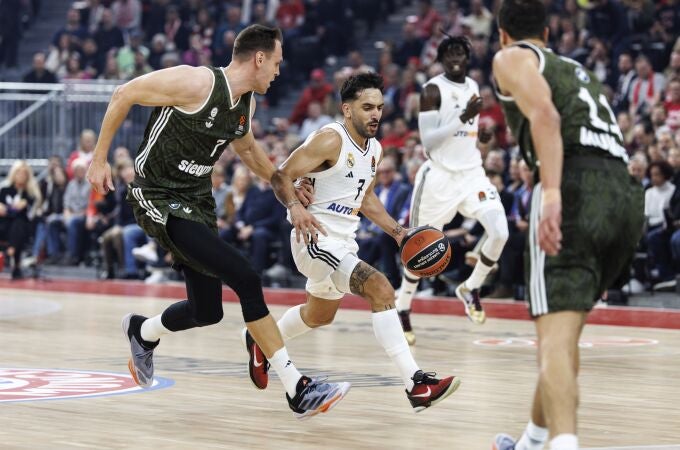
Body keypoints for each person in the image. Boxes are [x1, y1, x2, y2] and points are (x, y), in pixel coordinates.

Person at [87, 24, 351, 420]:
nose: (279, 71)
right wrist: (99, 158)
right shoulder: (195, 82)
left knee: (207, 310)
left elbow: (251, 155)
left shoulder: (245, 105)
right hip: (157, 195)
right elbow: (124, 93)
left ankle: (142, 332)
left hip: (195, 200)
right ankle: (297, 387)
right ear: (259, 58)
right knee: (245, 276)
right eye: (276, 63)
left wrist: (291, 188)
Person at [243, 73, 460, 411]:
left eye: (380, 108)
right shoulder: (331, 139)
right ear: (347, 109)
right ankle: (416, 385)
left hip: (343, 241)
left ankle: (262, 341)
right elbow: (282, 174)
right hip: (313, 239)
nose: (375, 114)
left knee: (319, 316)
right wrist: (295, 206)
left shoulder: (374, 149)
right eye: (367, 107)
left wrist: (399, 232)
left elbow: (366, 198)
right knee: (381, 289)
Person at [490, 2, 644, 450]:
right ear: (547, 31)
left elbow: (547, 116)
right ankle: (532, 442)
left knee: (553, 341)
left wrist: (553, 194)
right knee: (563, 334)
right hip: (622, 196)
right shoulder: (575, 69)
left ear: (502, 35)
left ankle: (562, 443)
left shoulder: (511, 56)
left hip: (575, 186)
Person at [394, 34, 509, 345]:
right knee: (418, 251)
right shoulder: (432, 89)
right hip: (439, 178)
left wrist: (482, 141)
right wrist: (464, 116)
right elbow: (429, 140)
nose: (456, 57)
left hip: (472, 174)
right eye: (450, 53)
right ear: (442, 58)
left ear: (468, 57)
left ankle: (470, 288)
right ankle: (403, 306)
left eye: (461, 52)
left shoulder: (472, 86)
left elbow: (465, 137)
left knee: (500, 232)